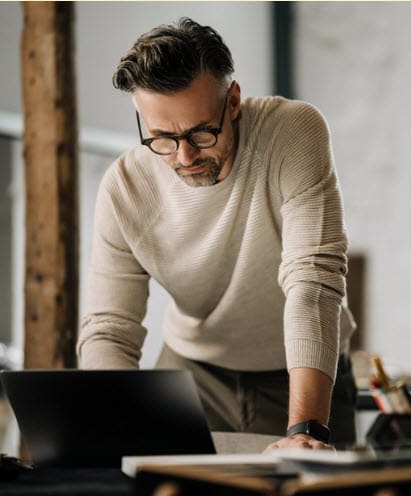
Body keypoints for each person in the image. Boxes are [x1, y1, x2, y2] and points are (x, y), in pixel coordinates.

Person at [76, 17, 357, 450]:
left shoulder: (291, 132)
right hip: (191, 374)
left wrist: (306, 429)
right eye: (162, 137)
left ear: (233, 102)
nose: (185, 156)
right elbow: (111, 328)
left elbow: (313, 281)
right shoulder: (125, 188)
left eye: (201, 133)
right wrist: (114, 422)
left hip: (302, 373)